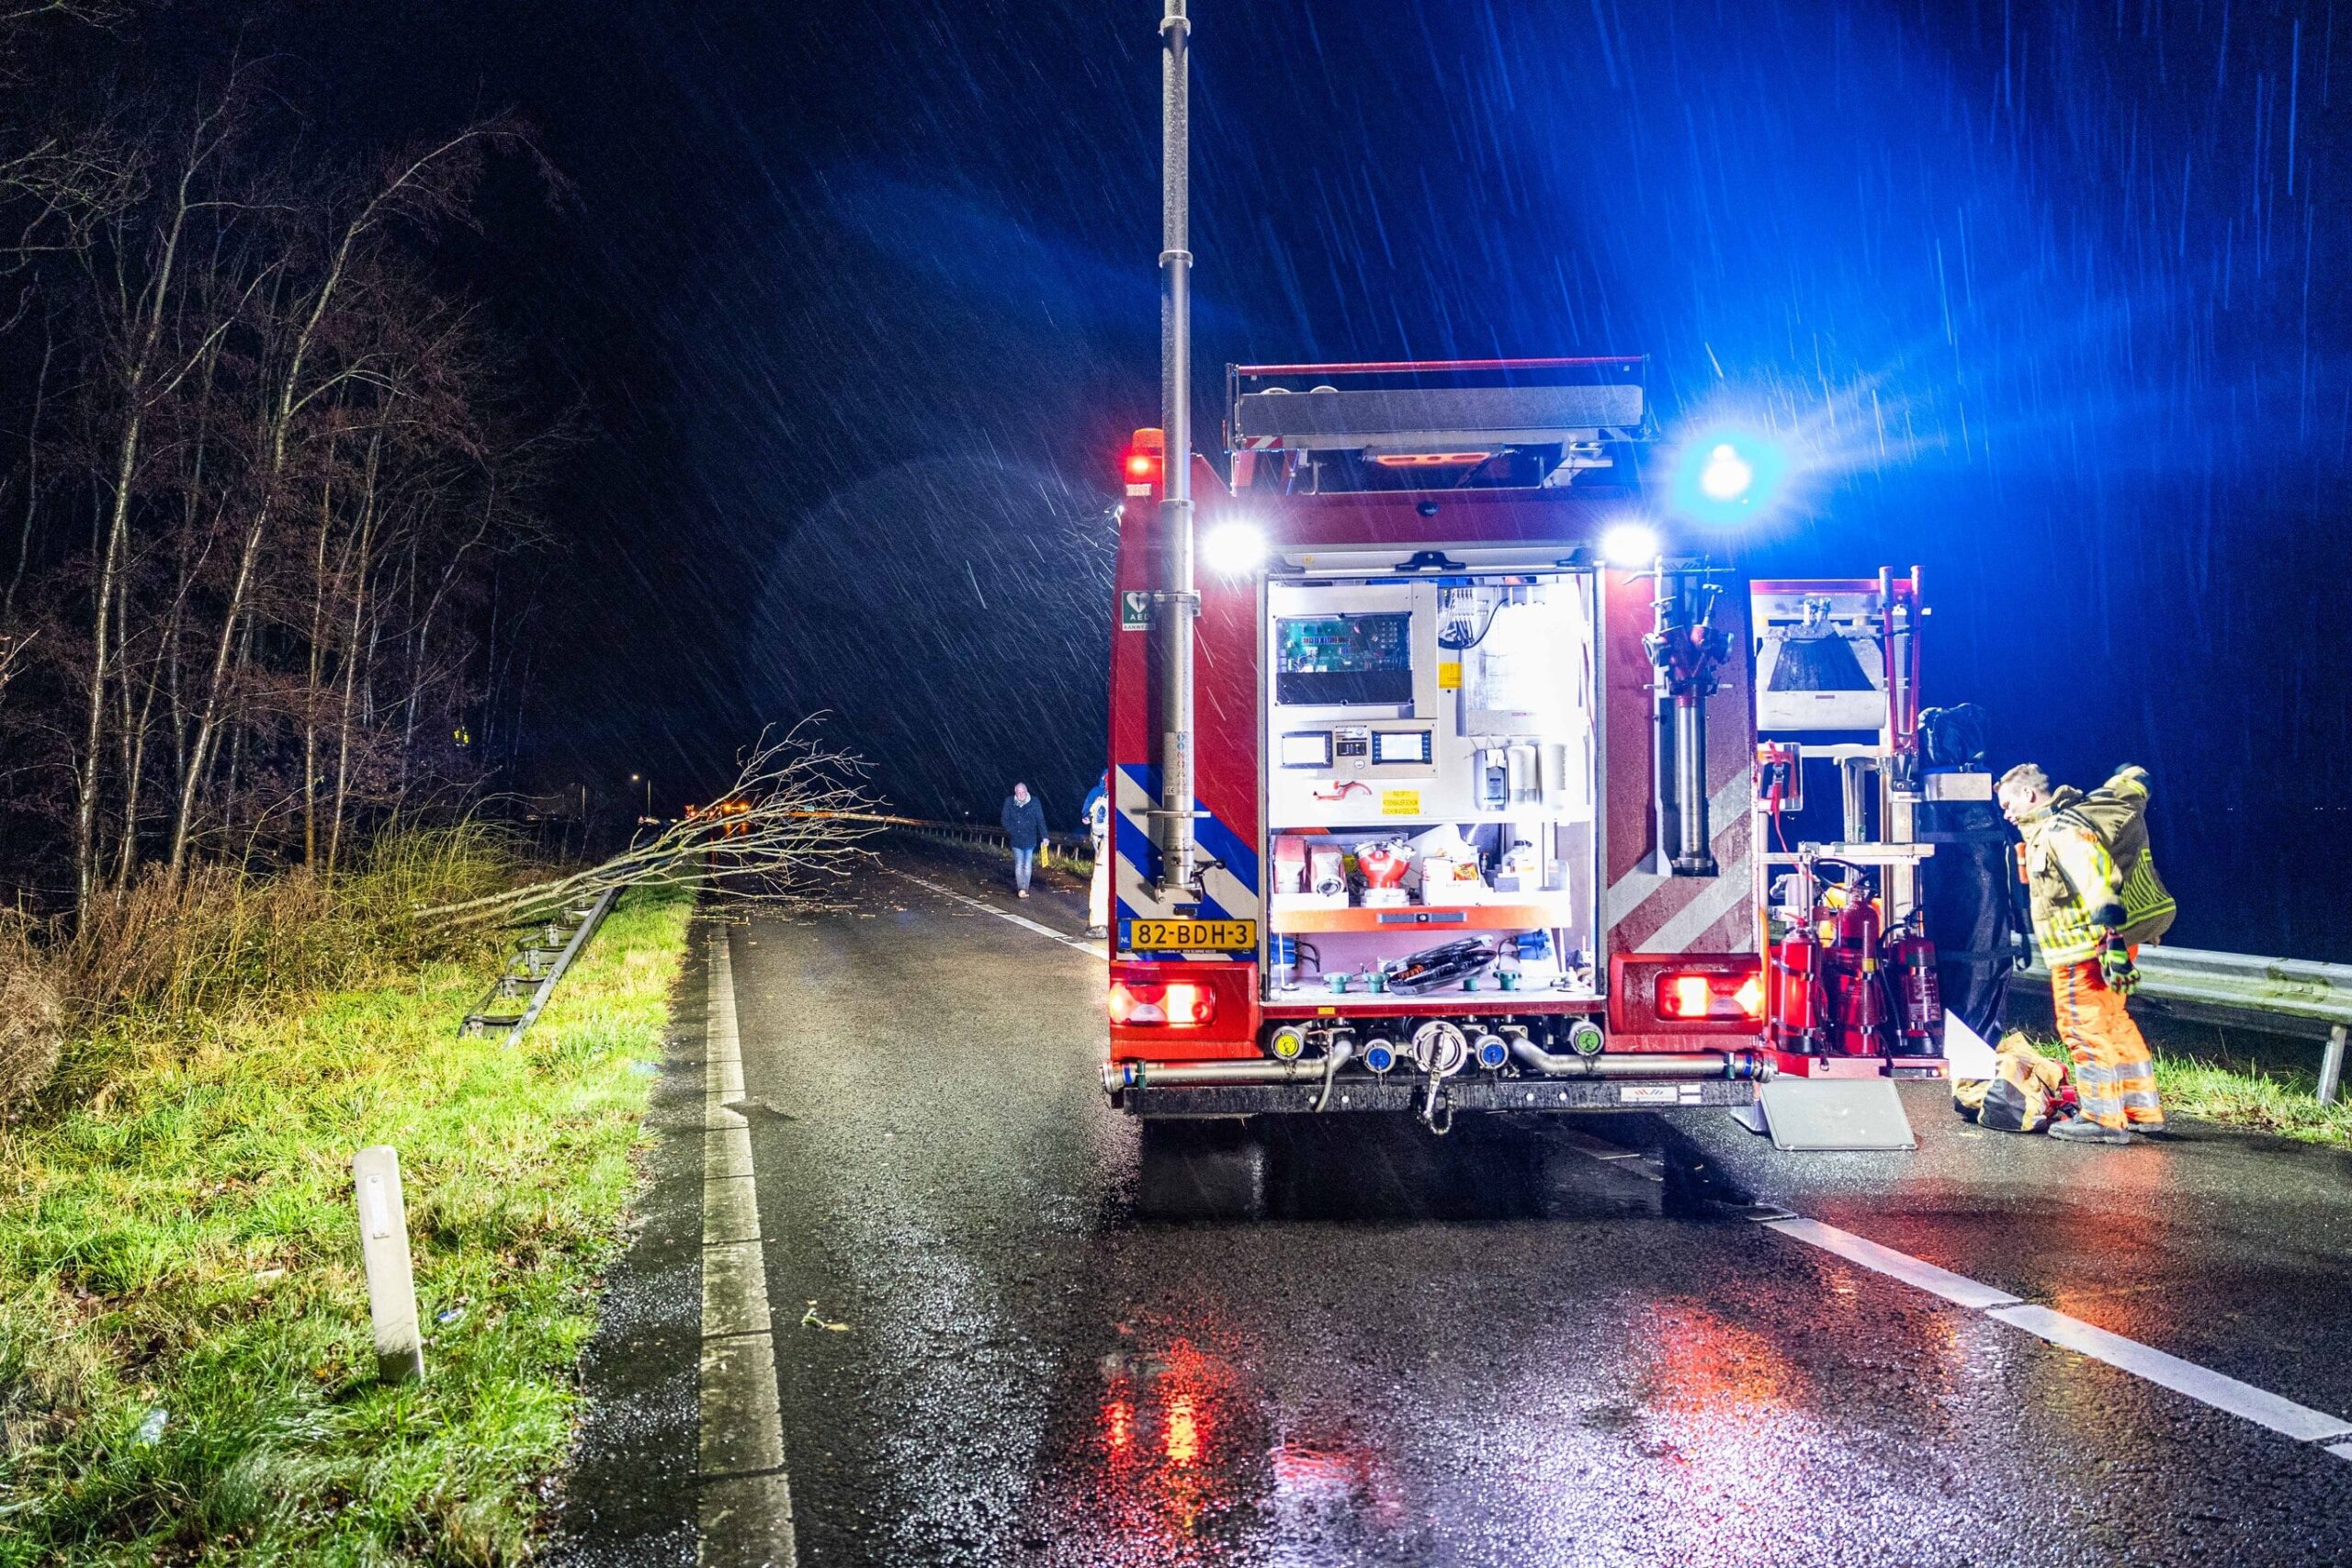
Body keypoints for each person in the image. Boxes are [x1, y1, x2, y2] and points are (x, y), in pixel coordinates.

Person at [1996, 762, 2172, 1144]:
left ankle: (2101, 1118)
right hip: (2101, 946)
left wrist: (2110, 942)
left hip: (2083, 951)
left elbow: (2097, 878)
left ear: (2029, 795)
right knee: (2115, 1023)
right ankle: (2142, 1111)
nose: (2006, 814)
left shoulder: (2059, 831)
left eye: (2009, 804)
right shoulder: (2049, 831)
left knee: (2082, 1029)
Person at [1000, 781, 1047, 897]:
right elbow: (1004, 820)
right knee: (1019, 864)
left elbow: (1040, 820)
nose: (1021, 794)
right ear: (1015, 792)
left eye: (1023, 792)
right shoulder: (1009, 802)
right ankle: (1021, 888)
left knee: (1027, 865)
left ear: (1027, 791)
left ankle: (1025, 888)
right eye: (1019, 792)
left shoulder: (1035, 802)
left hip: (1030, 838)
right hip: (1016, 839)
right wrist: (1013, 830)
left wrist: (1044, 836)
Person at [1080, 770, 1112, 938]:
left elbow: (1098, 827)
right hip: (1130, 847)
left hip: (1107, 845)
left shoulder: (1102, 800)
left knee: (1101, 883)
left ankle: (1098, 925)